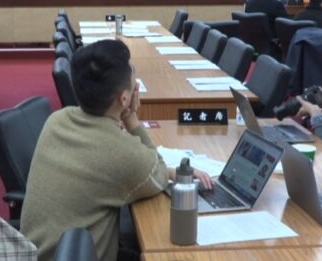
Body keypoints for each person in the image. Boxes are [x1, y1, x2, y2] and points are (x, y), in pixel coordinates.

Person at [21, 40, 212, 261]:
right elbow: (155, 170)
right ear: (124, 97)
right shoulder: (122, 153)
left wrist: (170, 171)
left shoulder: (57, 120)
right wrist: (132, 118)